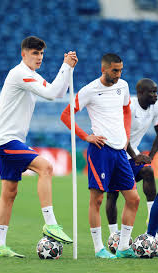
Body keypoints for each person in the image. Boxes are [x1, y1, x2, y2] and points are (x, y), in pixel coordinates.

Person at [0, 36, 78, 258]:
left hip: (12, 139)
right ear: (24, 54)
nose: (39, 57)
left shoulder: (32, 76)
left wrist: (67, 69)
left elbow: (57, 93)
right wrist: (65, 66)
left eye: (41, 54)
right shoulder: (20, 74)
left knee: (9, 192)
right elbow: (50, 94)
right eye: (34, 53)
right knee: (46, 167)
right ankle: (50, 223)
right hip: (6, 140)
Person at [61, 53, 140, 258]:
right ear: (103, 69)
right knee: (96, 200)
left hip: (120, 151)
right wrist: (86, 136)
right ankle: (99, 249)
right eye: (115, 70)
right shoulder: (89, 90)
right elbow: (66, 115)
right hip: (100, 151)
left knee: (133, 199)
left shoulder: (123, 85)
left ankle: (123, 247)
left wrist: (127, 135)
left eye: (121, 69)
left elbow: (126, 111)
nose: (119, 74)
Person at [106, 78, 158, 235]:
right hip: (114, 151)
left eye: (156, 91)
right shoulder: (130, 106)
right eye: (152, 92)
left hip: (130, 153)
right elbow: (121, 136)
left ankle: (151, 221)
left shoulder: (155, 107)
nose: (155, 95)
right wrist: (136, 156)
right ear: (141, 93)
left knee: (148, 172)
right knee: (112, 193)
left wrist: (151, 156)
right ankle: (114, 234)